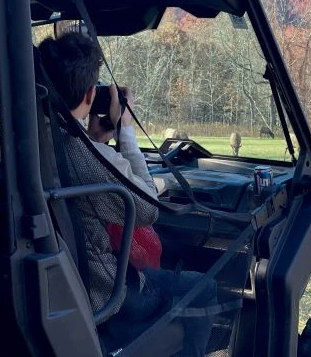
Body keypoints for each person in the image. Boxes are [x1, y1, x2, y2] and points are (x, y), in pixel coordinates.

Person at [38, 32, 215, 356]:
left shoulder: (18, 141)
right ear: (91, 94)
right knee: (204, 286)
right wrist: (127, 131)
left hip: (48, 288)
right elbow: (149, 208)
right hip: (104, 294)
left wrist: (94, 140)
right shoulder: (84, 154)